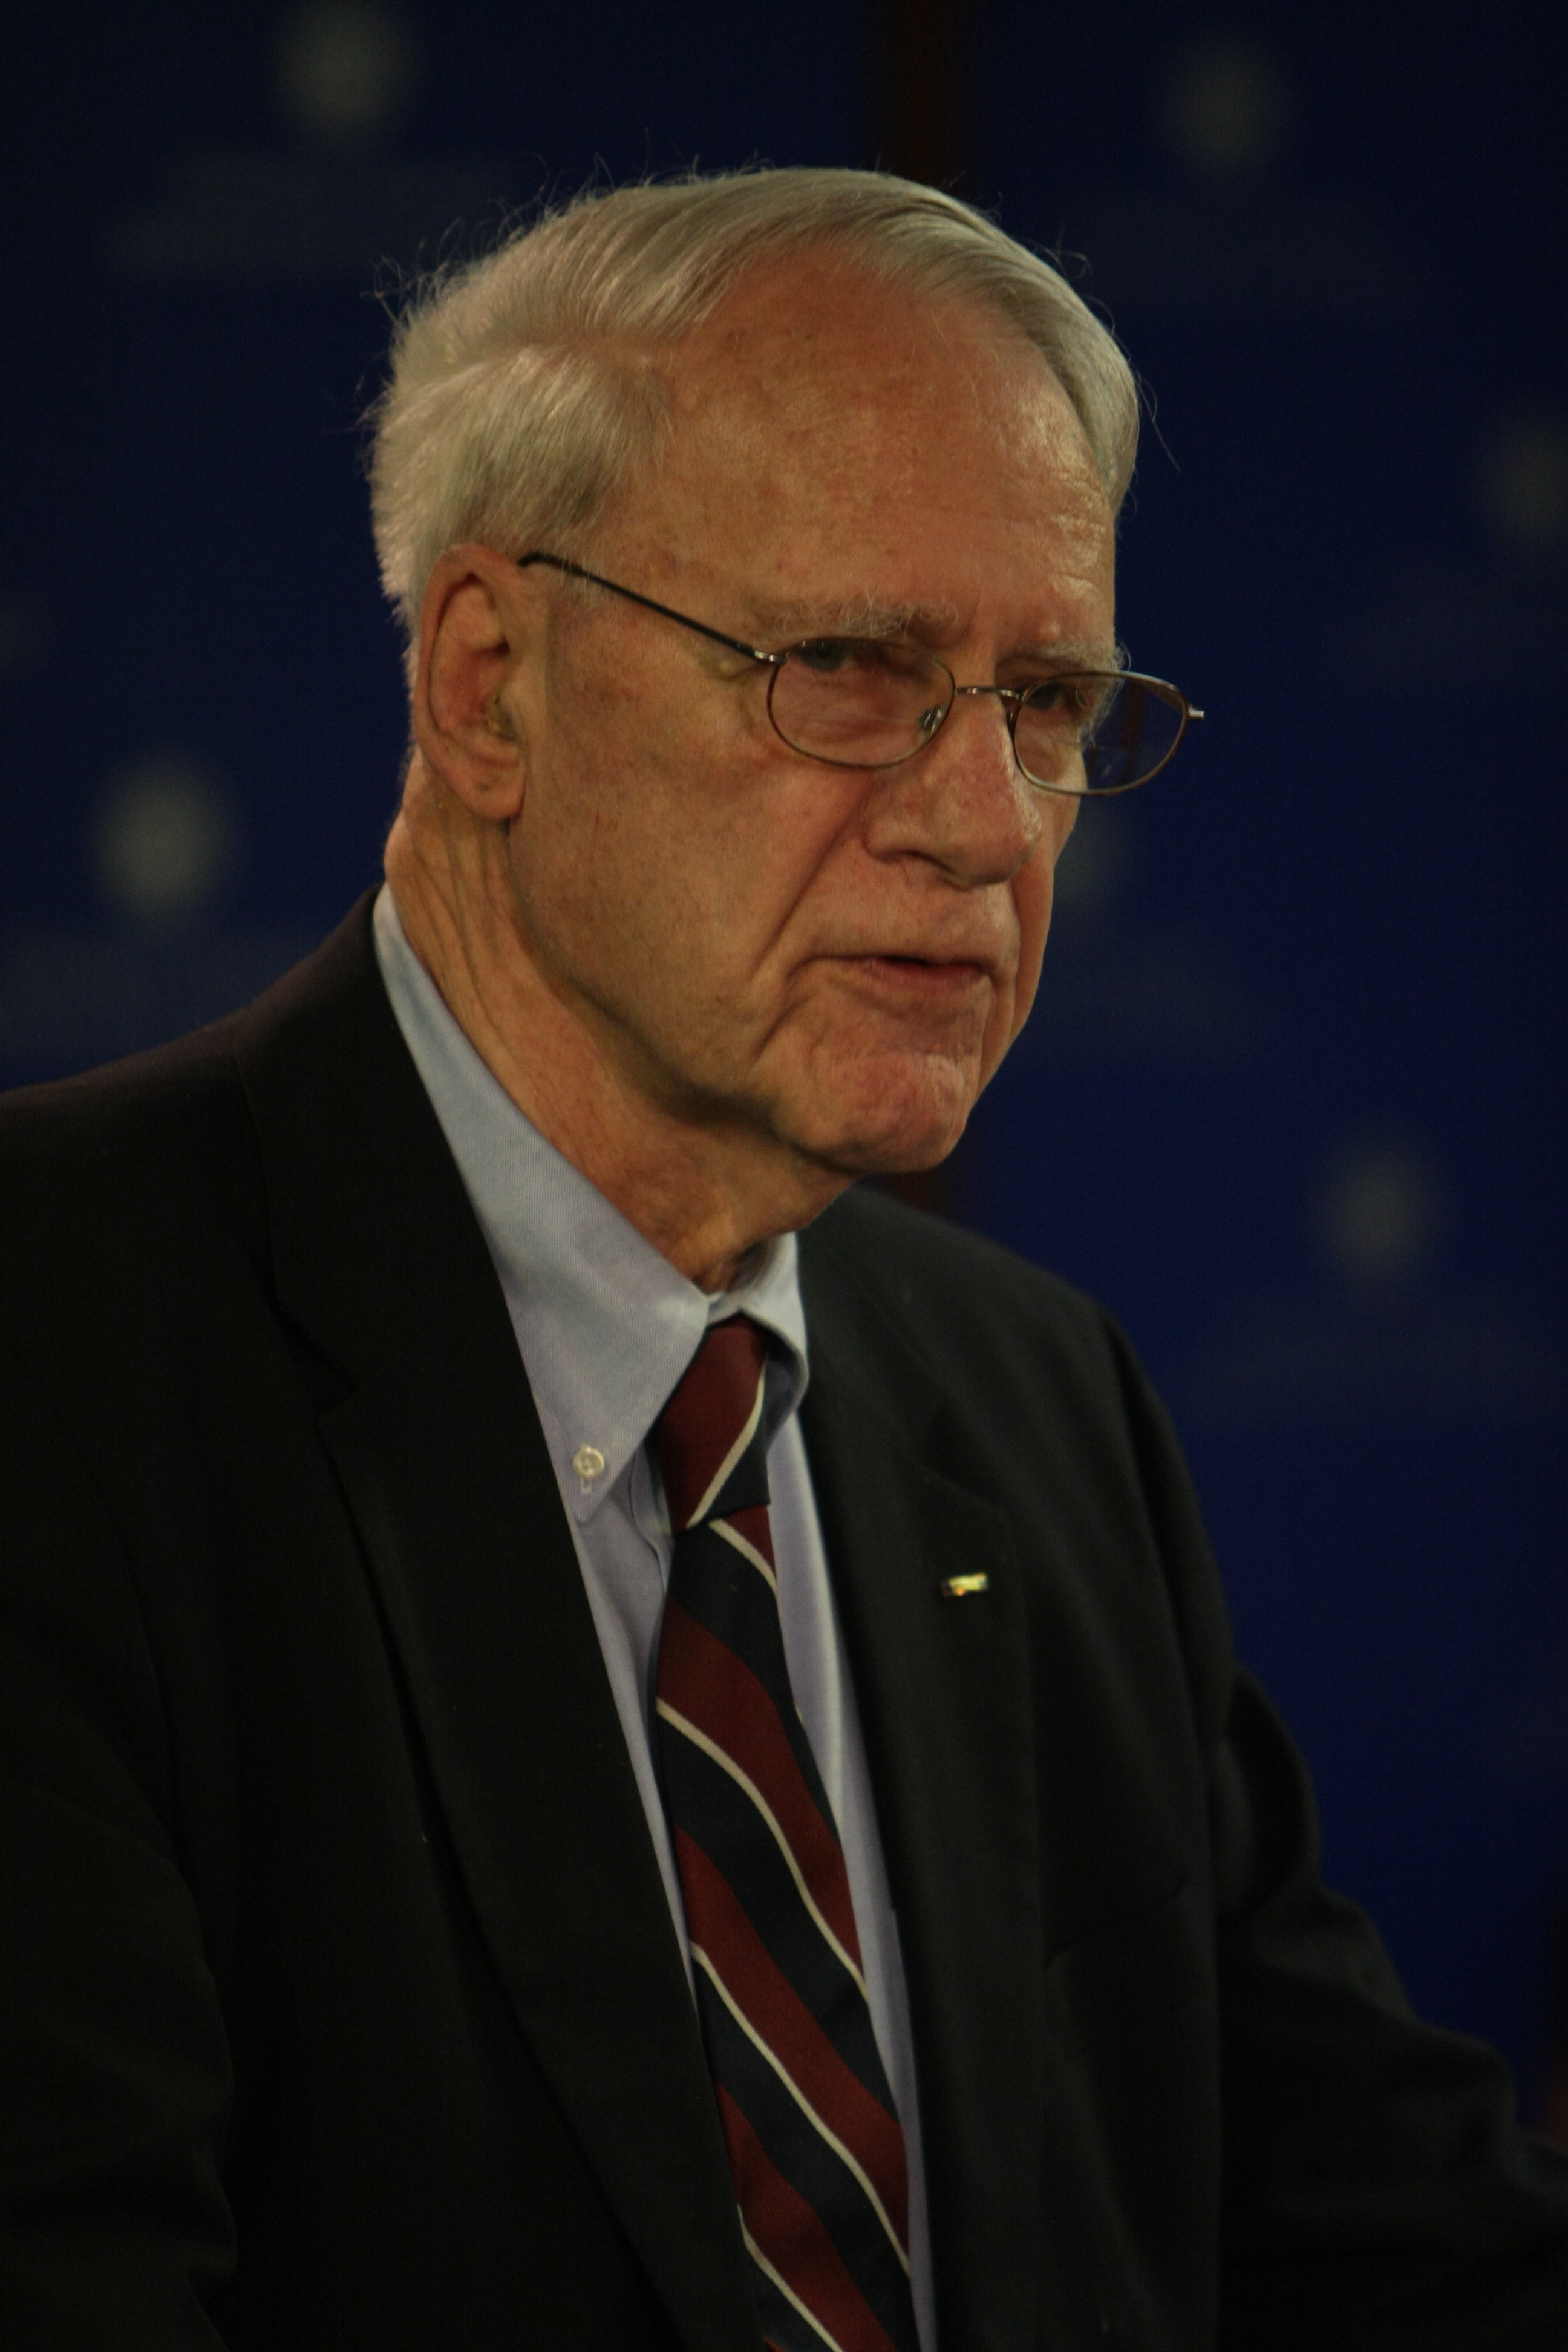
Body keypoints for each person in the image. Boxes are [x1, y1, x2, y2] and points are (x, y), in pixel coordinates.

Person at [0, 168, 1563, 2352]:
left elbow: (1388, 2244)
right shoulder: (52, 1353)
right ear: (489, 687)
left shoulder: (1042, 1404)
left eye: (1045, 702)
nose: (995, 822)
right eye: (852, 670)